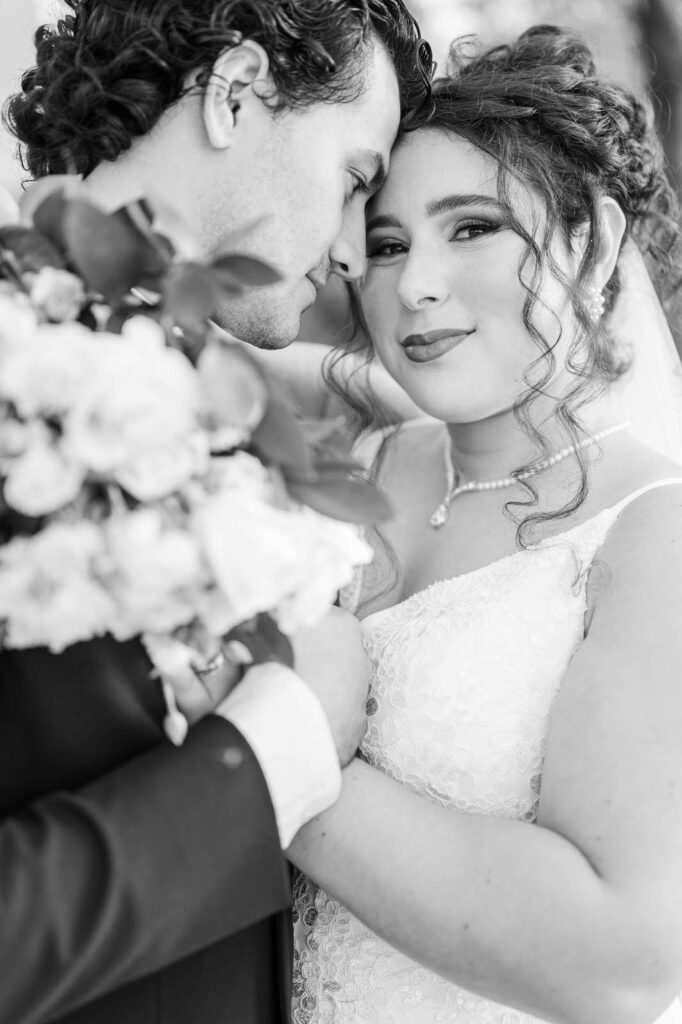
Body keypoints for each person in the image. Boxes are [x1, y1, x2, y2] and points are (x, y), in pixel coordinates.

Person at [0, 3, 432, 1023]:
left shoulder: (227, 408)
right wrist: (283, 741)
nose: (354, 252)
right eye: (356, 177)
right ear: (237, 90)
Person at [284, 26, 682, 1024]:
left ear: (588, 240)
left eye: (470, 228)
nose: (415, 283)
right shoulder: (353, 468)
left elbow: (625, 961)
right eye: (385, 243)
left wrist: (275, 753)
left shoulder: (651, 537)